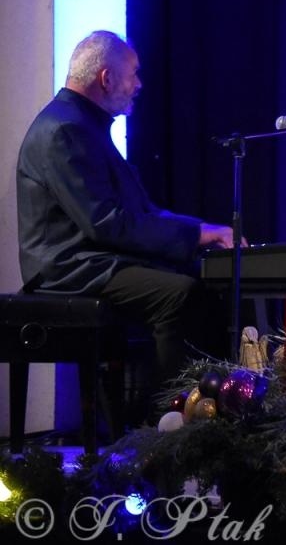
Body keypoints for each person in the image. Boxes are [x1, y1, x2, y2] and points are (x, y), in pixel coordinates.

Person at [16, 31, 234, 391]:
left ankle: (208, 414)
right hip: (70, 268)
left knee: (204, 279)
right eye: (133, 74)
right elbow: (106, 223)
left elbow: (140, 212)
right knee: (180, 293)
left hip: (96, 259)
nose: (139, 84)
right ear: (106, 78)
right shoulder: (65, 130)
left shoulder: (84, 126)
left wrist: (203, 229)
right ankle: (166, 425)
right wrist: (195, 235)